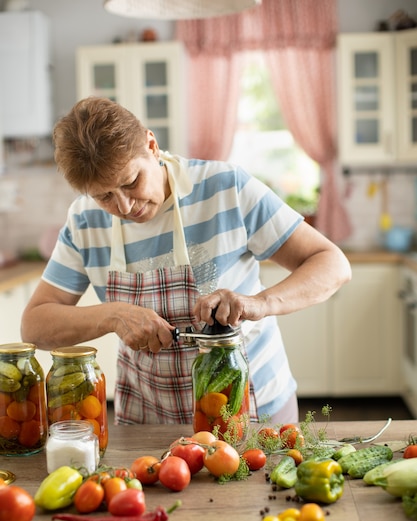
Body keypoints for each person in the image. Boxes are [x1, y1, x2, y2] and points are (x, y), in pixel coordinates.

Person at [21, 97, 351, 426]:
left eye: (131, 182)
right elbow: (34, 325)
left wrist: (258, 303)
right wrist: (111, 316)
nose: (123, 207)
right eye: (104, 196)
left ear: (151, 145)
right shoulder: (84, 221)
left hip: (255, 409)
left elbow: (332, 263)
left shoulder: (226, 188)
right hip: (150, 421)